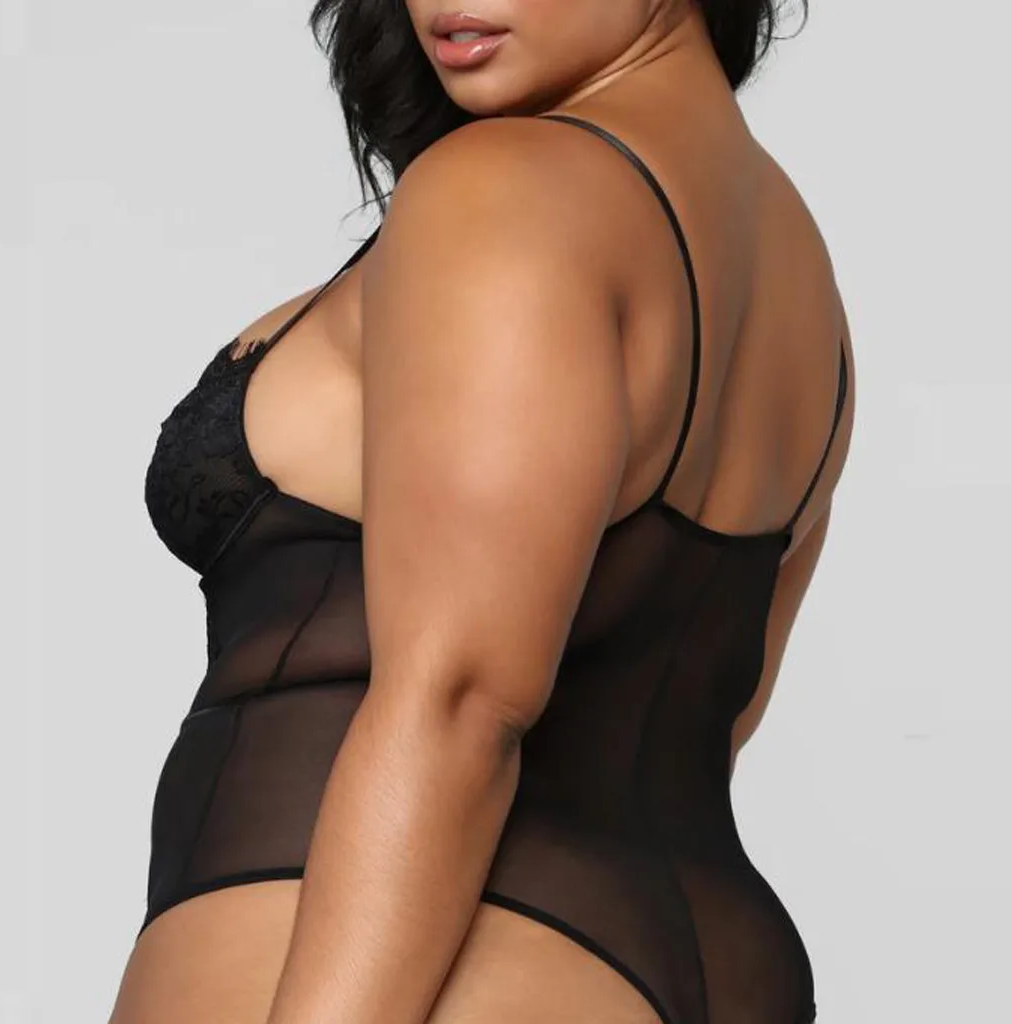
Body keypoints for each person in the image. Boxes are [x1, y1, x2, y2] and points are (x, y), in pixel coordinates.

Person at [109, 0, 852, 1021]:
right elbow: (715, 715)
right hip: (706, 958)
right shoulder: (797, 268)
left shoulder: (508, 188)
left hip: (416, 972)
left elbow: (460, 701)